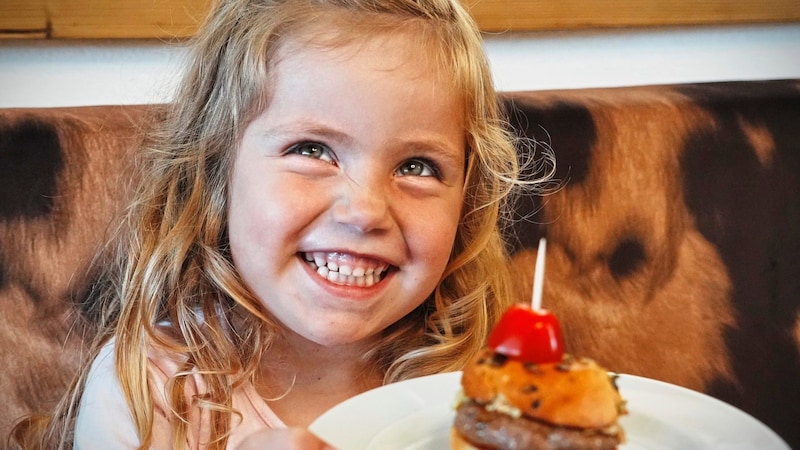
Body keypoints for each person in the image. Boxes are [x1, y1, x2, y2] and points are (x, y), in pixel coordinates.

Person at [10, 0, 553, 448]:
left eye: (417, 167)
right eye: (312, 150)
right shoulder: (149, 391)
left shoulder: (486, 391)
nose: (365, 212)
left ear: (468, 202)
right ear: (216, 169)